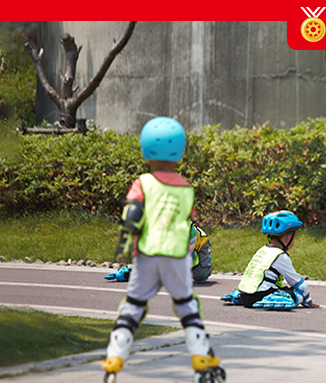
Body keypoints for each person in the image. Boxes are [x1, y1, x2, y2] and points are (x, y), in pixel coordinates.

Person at [101, 116, 225, 383]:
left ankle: (114, 359)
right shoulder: (186, 188)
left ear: (146, 151)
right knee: (187, 307)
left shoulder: (143, 183)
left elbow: (132, 214)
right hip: (177, 258)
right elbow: (186, 220)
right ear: (179, 152)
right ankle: (201, 359)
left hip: (146, 255)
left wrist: (124, 245)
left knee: (133, 305)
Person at [219, 210, 318, 310]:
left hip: (245, 296)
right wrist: (307, 300)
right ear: (288, 238)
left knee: (281, 288)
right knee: (297, 294)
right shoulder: (280, 256)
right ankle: (275, 298)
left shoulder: (262, 250)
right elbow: (297, 282)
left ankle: (237, 296)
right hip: (260, 296)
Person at [104, 221, 213, 283]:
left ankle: (205, 258)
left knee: (200, 277)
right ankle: (128, 273)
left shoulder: (191, 232)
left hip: (198, 246)